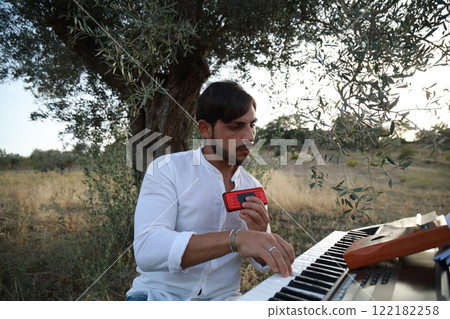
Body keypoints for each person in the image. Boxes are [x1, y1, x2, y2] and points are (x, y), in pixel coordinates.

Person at [126, 81, 295, 301]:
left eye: (252, 125)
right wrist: (235, 238)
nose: (250, 136)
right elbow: (148, 249)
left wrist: (263, 235)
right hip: (157, 297)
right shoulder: (167, 170)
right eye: (236, 127)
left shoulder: (253, 186)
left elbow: (262, 263)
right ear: (205, 129)